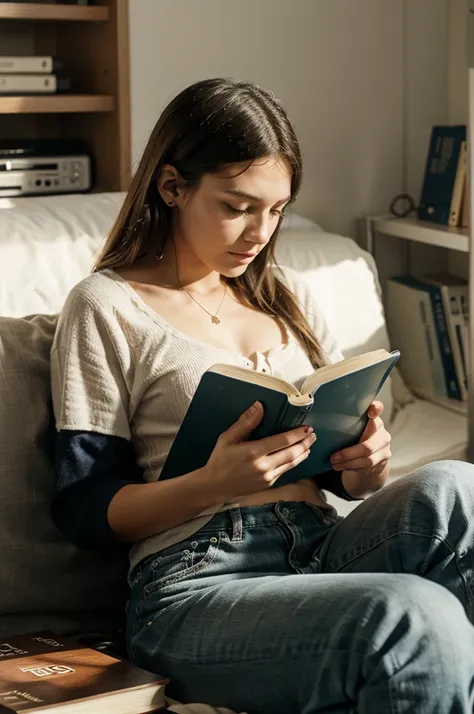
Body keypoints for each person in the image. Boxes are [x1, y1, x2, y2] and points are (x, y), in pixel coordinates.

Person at [50, 78, 474, 714]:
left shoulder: (278, 298)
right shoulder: (107, 305)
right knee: (411, 616)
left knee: (457, 489)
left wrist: (364, 468)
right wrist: (215, 482)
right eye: (237, 206)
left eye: (276, 210)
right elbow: (85, 509)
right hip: (198, 581)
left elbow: (336, 476)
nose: (260, 232)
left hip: (323, 547)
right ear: (172, 187)